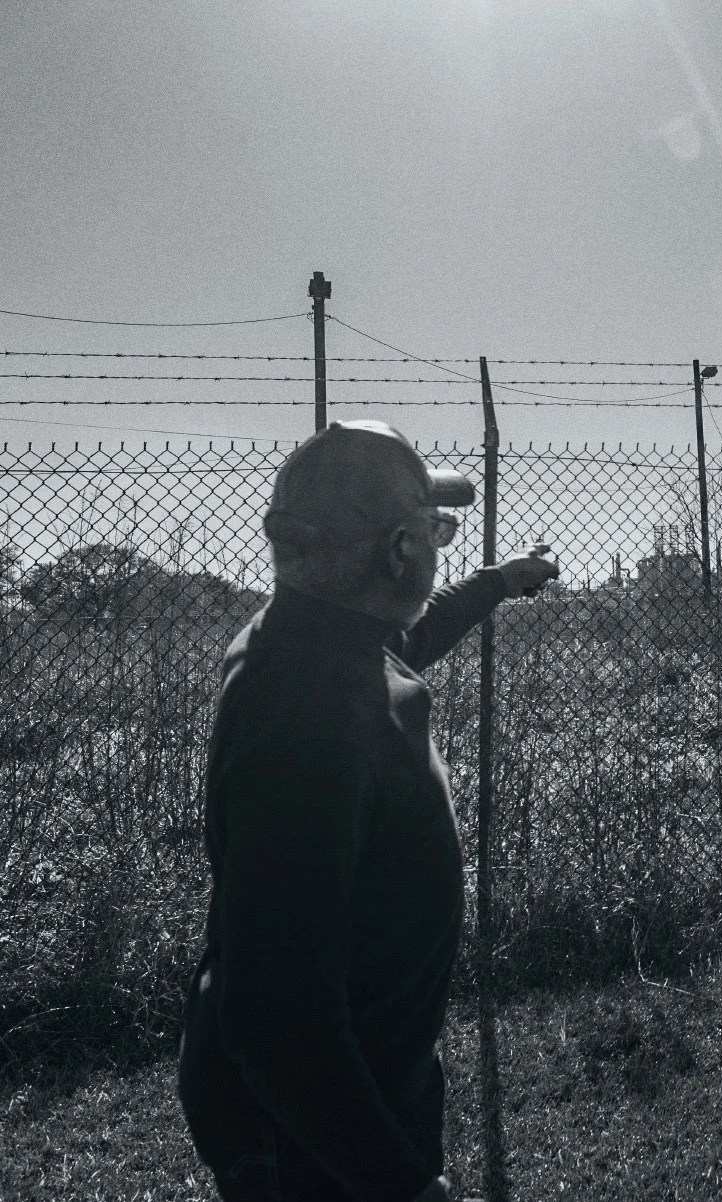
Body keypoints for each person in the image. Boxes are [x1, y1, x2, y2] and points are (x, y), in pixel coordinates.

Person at [177, 420, 558, 1202]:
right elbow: (274, 1016)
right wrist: (402, 1185)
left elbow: (416, 632)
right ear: (397, 552)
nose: (438, 543)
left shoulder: (318, 640)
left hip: (348, 1095)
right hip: (315, 1140)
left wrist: (499, 579)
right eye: (434, 530)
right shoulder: (308, 719)